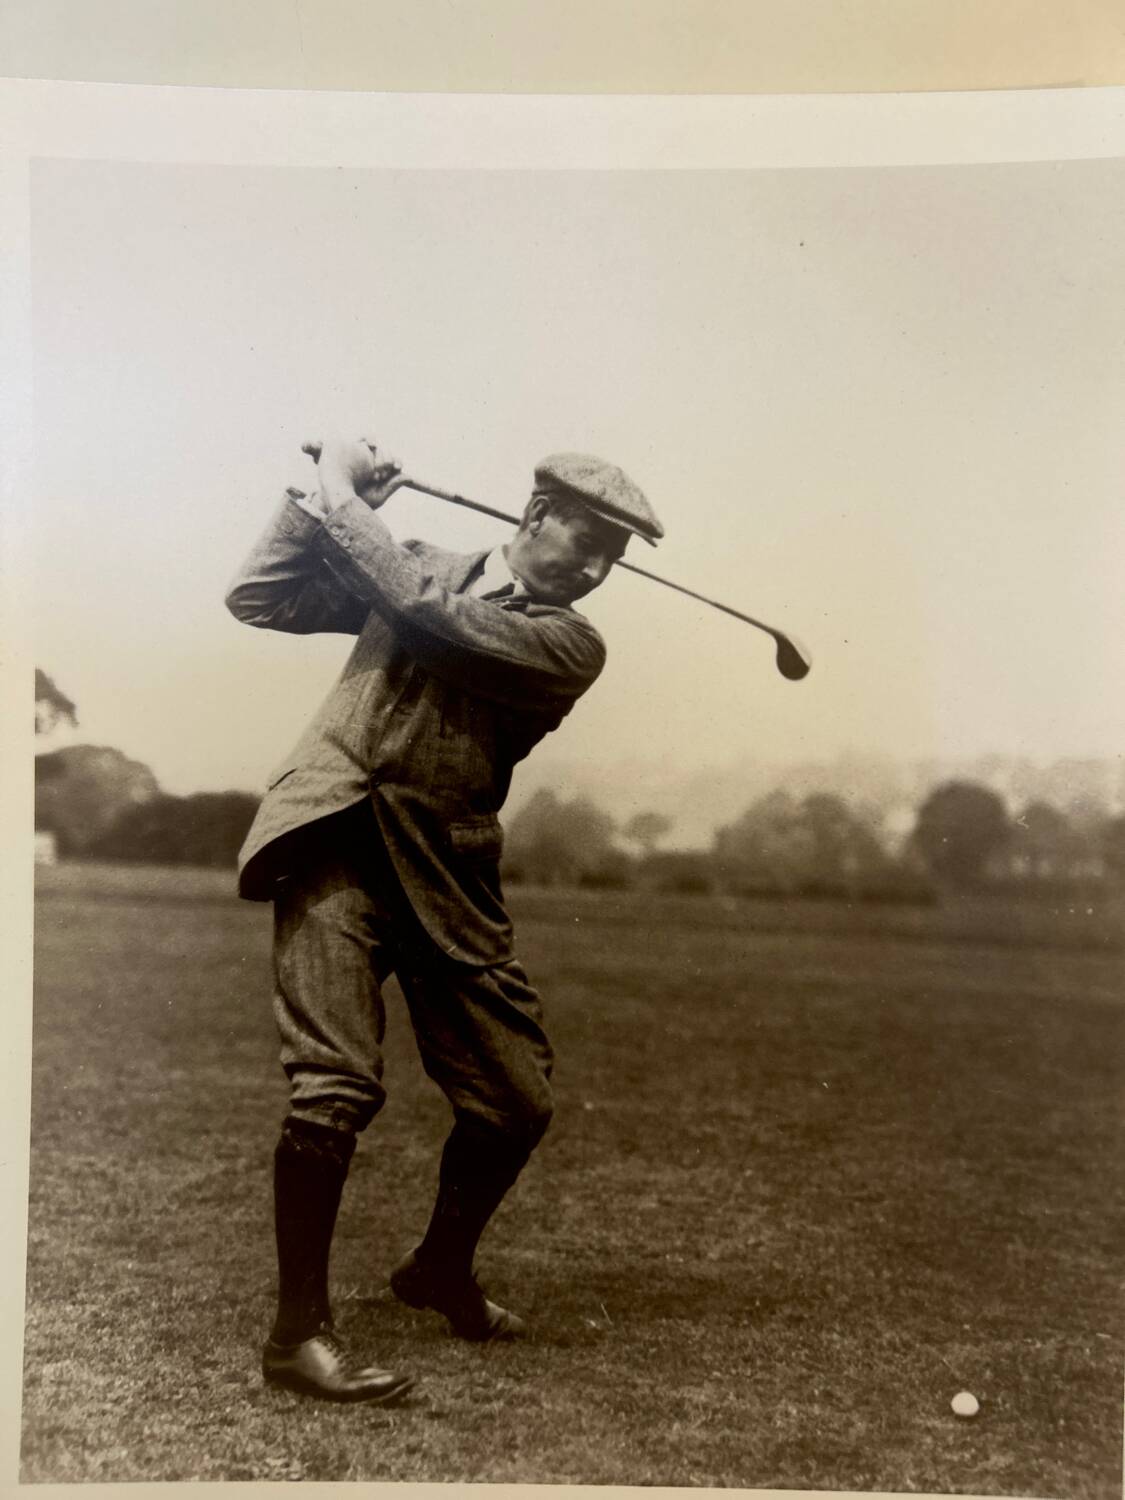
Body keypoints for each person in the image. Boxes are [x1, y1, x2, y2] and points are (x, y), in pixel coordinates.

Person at [226, 436, 664, 1403]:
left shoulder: (567, 644)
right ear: (533, 515)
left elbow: (428, 622)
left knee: (516, 1102)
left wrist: (345, 498)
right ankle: (298, 1337)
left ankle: (438, 1267)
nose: (592, 569)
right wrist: (309, 499)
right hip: (329, 843)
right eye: (584, 540)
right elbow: (263, 598)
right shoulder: (412, 559)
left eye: (610, 558)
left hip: (443, 874)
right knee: (333, 1084)